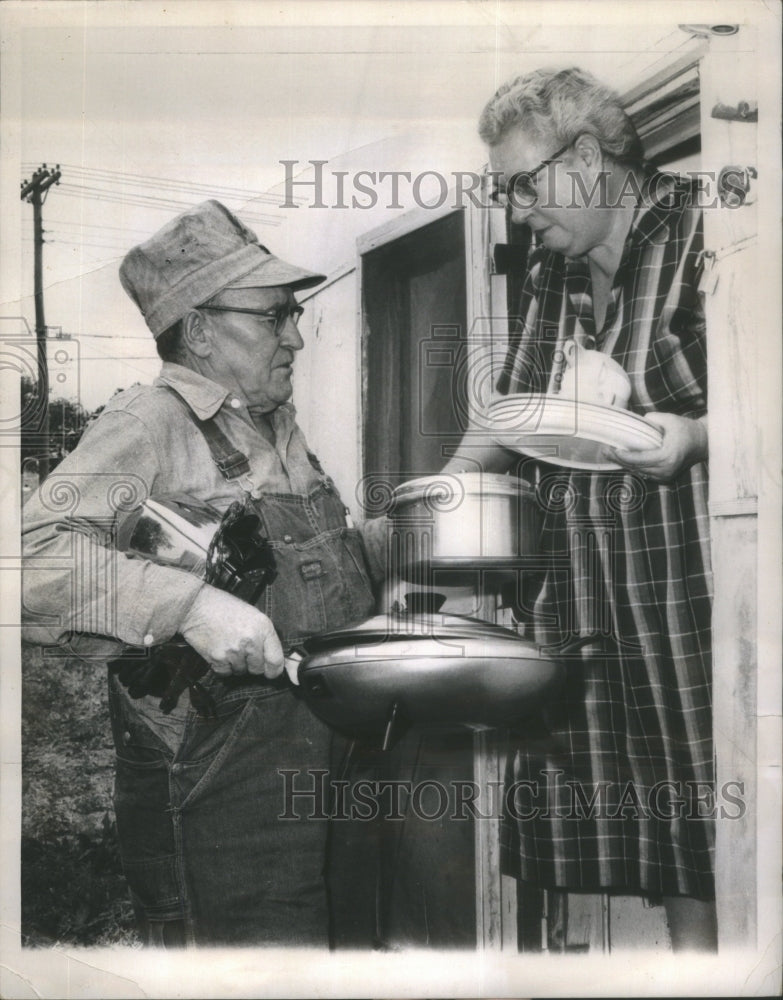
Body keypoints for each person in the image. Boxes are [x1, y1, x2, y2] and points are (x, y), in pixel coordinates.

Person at [22, 200, 384, 947]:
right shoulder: (148, 423)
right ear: (198, 330)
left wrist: (407, 537)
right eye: (272, 316)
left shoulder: (275, 427)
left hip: (323, 764)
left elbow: (312, 575)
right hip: (215, 782)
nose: (296, 336)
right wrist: (188, 605)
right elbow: (30, 558)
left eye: (296, 313)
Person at [443, 67, 715, 950]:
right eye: (504, 193)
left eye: (524, 185)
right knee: (652, 814)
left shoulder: (711, 232)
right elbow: (512, 415)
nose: (516, 212)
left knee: (720, 806)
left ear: (590, 156)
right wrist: (440, 504)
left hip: (697, 591)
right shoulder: (552, 275)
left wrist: (697, 438)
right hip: (589, 591)